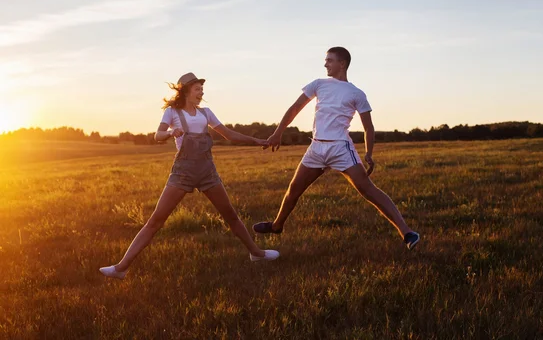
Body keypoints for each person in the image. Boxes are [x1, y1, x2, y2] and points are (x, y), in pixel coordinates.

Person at [100, 72, 279, 279]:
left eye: (202, 90)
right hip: (182, 172)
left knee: (230, 215)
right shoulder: (172, 112)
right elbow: (157, 135)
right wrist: (169, 133)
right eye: (197, 89)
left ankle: (256, 253)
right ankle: (121, 268)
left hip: (207, 171)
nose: (201, 93)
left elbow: (229, 135)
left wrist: (258, 142)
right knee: (155, 221)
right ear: (185, 91)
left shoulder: (206, 113)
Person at [253, 47, 420, 250]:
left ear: (342, 63)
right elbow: (294, 108)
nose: (325, 64)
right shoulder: (318, 84)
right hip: (316, 147)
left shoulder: (356, 93)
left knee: (368, 190)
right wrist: (278, 132)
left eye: (329, 60)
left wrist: (368, 153)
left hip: (341, 149)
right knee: (293, 190)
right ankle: (277, 225)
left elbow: (368, 126)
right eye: (326, 60)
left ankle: (407, 233)